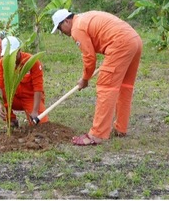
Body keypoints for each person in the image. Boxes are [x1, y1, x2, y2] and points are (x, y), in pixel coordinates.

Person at [52, 8, 143, 146]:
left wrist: (85, 78)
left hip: (120, 43)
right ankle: (120, 128)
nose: (62, 32)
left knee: (106, 87)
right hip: (134, 40)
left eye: (60, 28)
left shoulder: (77, 28)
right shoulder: (84, 17)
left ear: (67, 21)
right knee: (125, 86)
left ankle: (97, 134)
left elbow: (89, 57)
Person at [0, 36, 47, 128]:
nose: (10, 58)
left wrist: (35, 111)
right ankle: (11, 120)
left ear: (19, 50)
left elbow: (38, 88)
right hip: (12, 98)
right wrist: (0, 104)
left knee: (41, 124)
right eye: (7, 55)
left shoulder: (32, 61)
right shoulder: (0, 64)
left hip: (30, 98)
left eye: (13, 54)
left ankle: (32, 115)